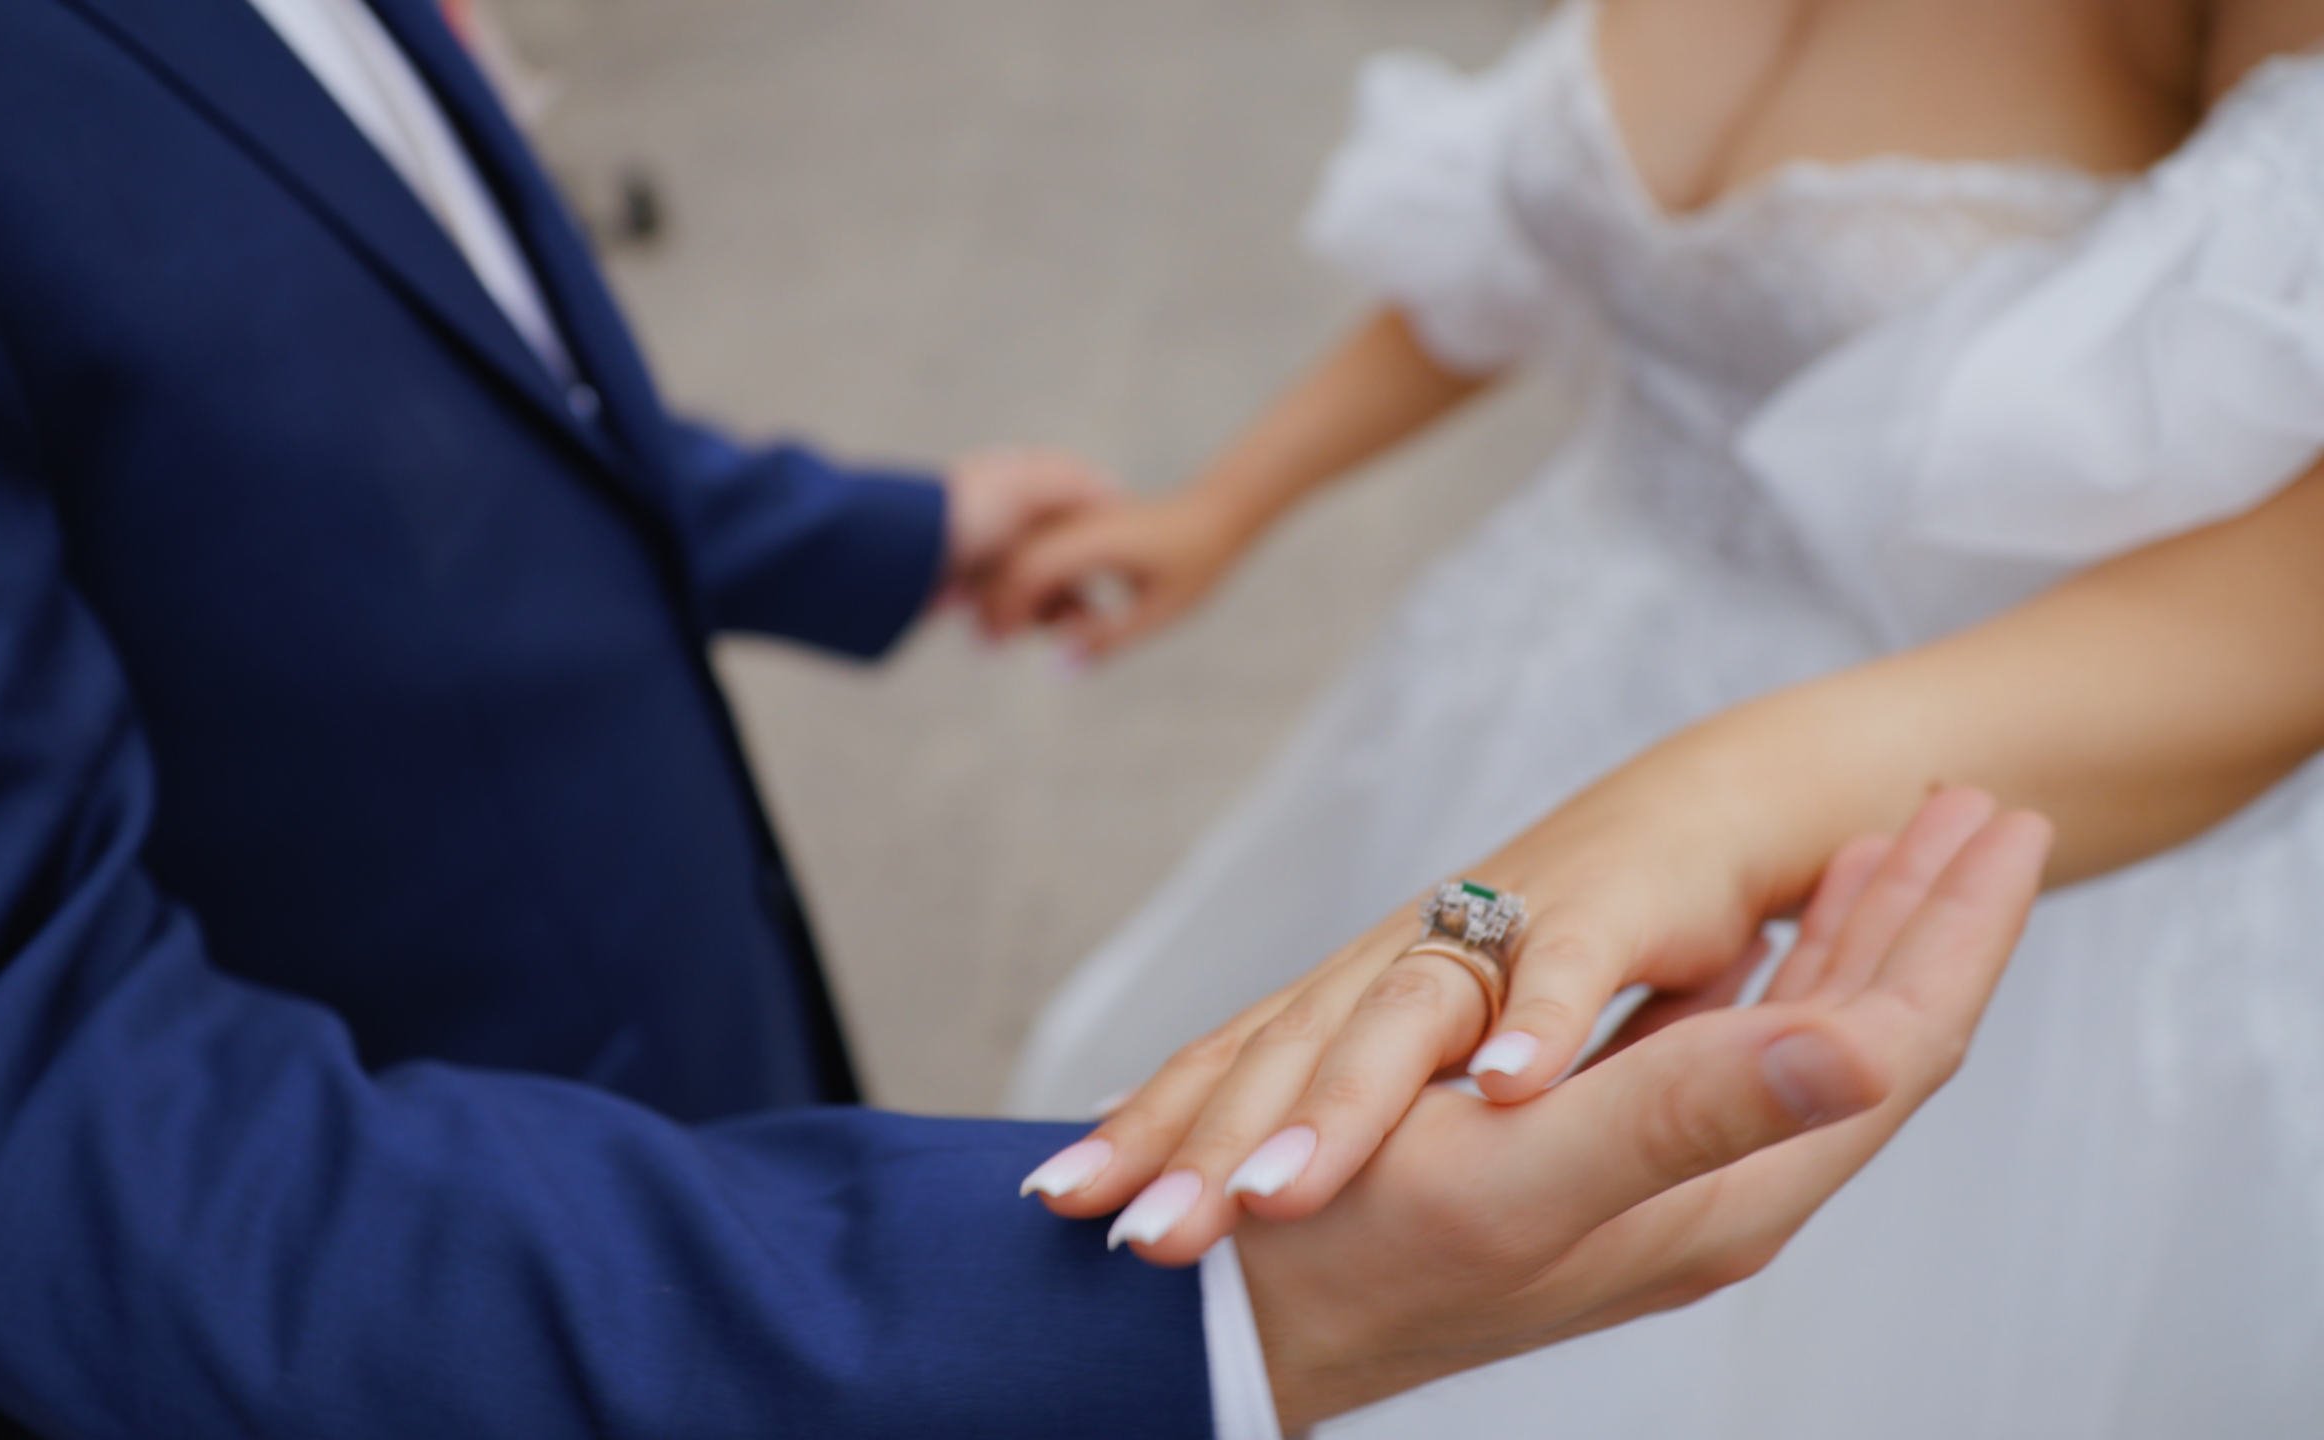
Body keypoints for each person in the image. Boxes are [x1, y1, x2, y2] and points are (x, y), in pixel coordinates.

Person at [0, 0, 2046, 1436]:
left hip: (661, 1021)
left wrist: (874, 530)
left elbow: (350, 349)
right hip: (341, 1296)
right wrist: (1171, 1319)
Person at [995, 0, 2324, 1432]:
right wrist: (1226, 505)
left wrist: (1706, 802)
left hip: (1939, 804)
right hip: (1527, 684)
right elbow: (1528, 243)